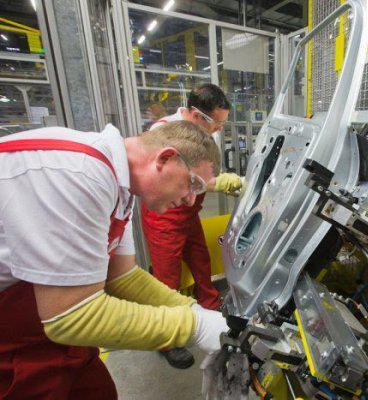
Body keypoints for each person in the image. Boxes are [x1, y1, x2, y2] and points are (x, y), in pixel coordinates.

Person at [0, 120, 228, 399]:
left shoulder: (120, 186)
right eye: (192, 184)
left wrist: (192, 310)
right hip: (14, 338)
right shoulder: (79, 173)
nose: (192, 200)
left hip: (44, 320)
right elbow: (69, 317)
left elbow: (123, 277)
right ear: (165, 158)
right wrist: (195, 328)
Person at [141, 84, 242, 369]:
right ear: (198, 116)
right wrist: (217, 183)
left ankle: (210, 309)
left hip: (189, 212)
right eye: (217, 122)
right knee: (167, 277)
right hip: (165, 213)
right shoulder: (164, 131)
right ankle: (167, 338)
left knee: (201, 261)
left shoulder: (208, 132)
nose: (219, 128)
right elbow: (175, 179)